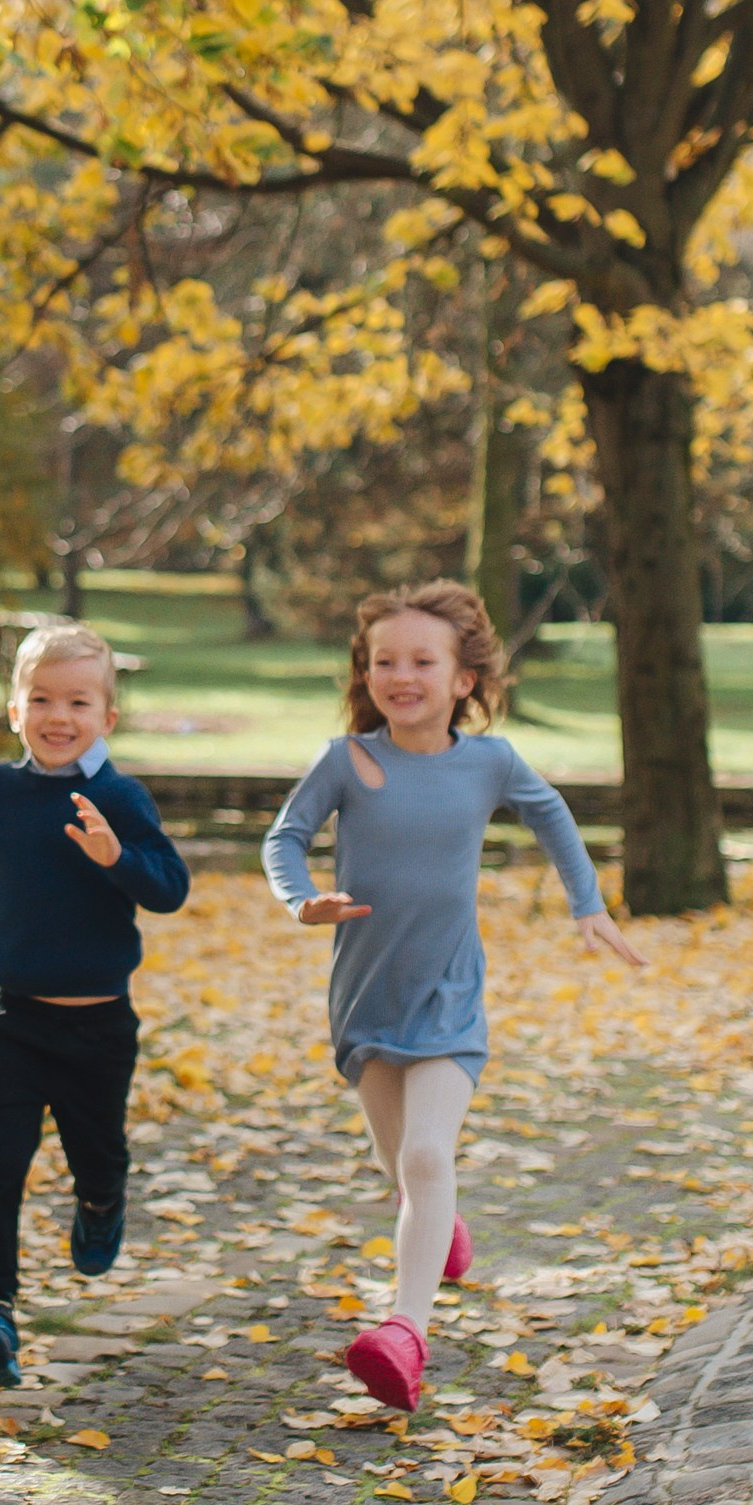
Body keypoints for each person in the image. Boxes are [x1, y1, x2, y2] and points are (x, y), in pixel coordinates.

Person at [261, 579, 641, 1415]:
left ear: (464, 679)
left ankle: (406, 1332)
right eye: (384, 661)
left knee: (428, 1158)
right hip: (365, 998)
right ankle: (440, 1227)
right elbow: (284, 837)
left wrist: (587, 906)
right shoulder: (344, 761)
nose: (401, 676)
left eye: (422, 662)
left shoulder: (490, 763)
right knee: (399, 1163)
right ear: (366, 673)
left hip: (449, 997)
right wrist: (302, 899)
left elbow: (552, 817)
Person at [0, 622, 190, 1385]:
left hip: (99, 1024)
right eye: (41, 699)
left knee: (97, 1152)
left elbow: (169, 887)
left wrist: (117, 856)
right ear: (15, 710)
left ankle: (102, 1202)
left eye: (78, 702)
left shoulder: (117, 797)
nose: (59, 716)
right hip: (17, 1019)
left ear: (106, 717)